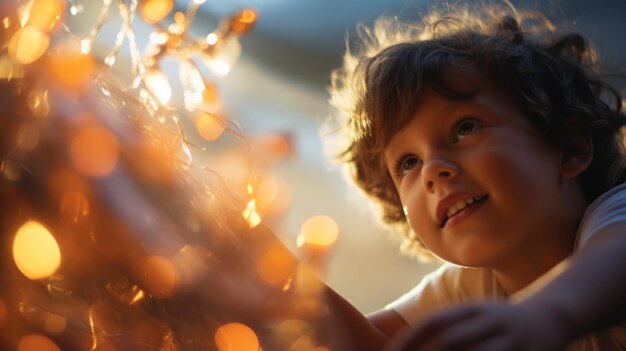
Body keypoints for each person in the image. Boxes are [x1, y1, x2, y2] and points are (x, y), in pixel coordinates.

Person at [326, 3, 626, 350]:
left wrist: (545, 314)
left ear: (570, 146)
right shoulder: (466, 287)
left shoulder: (615, 213)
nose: (432, 171)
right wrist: (262, 258)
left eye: (464, 128)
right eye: (408, 162)